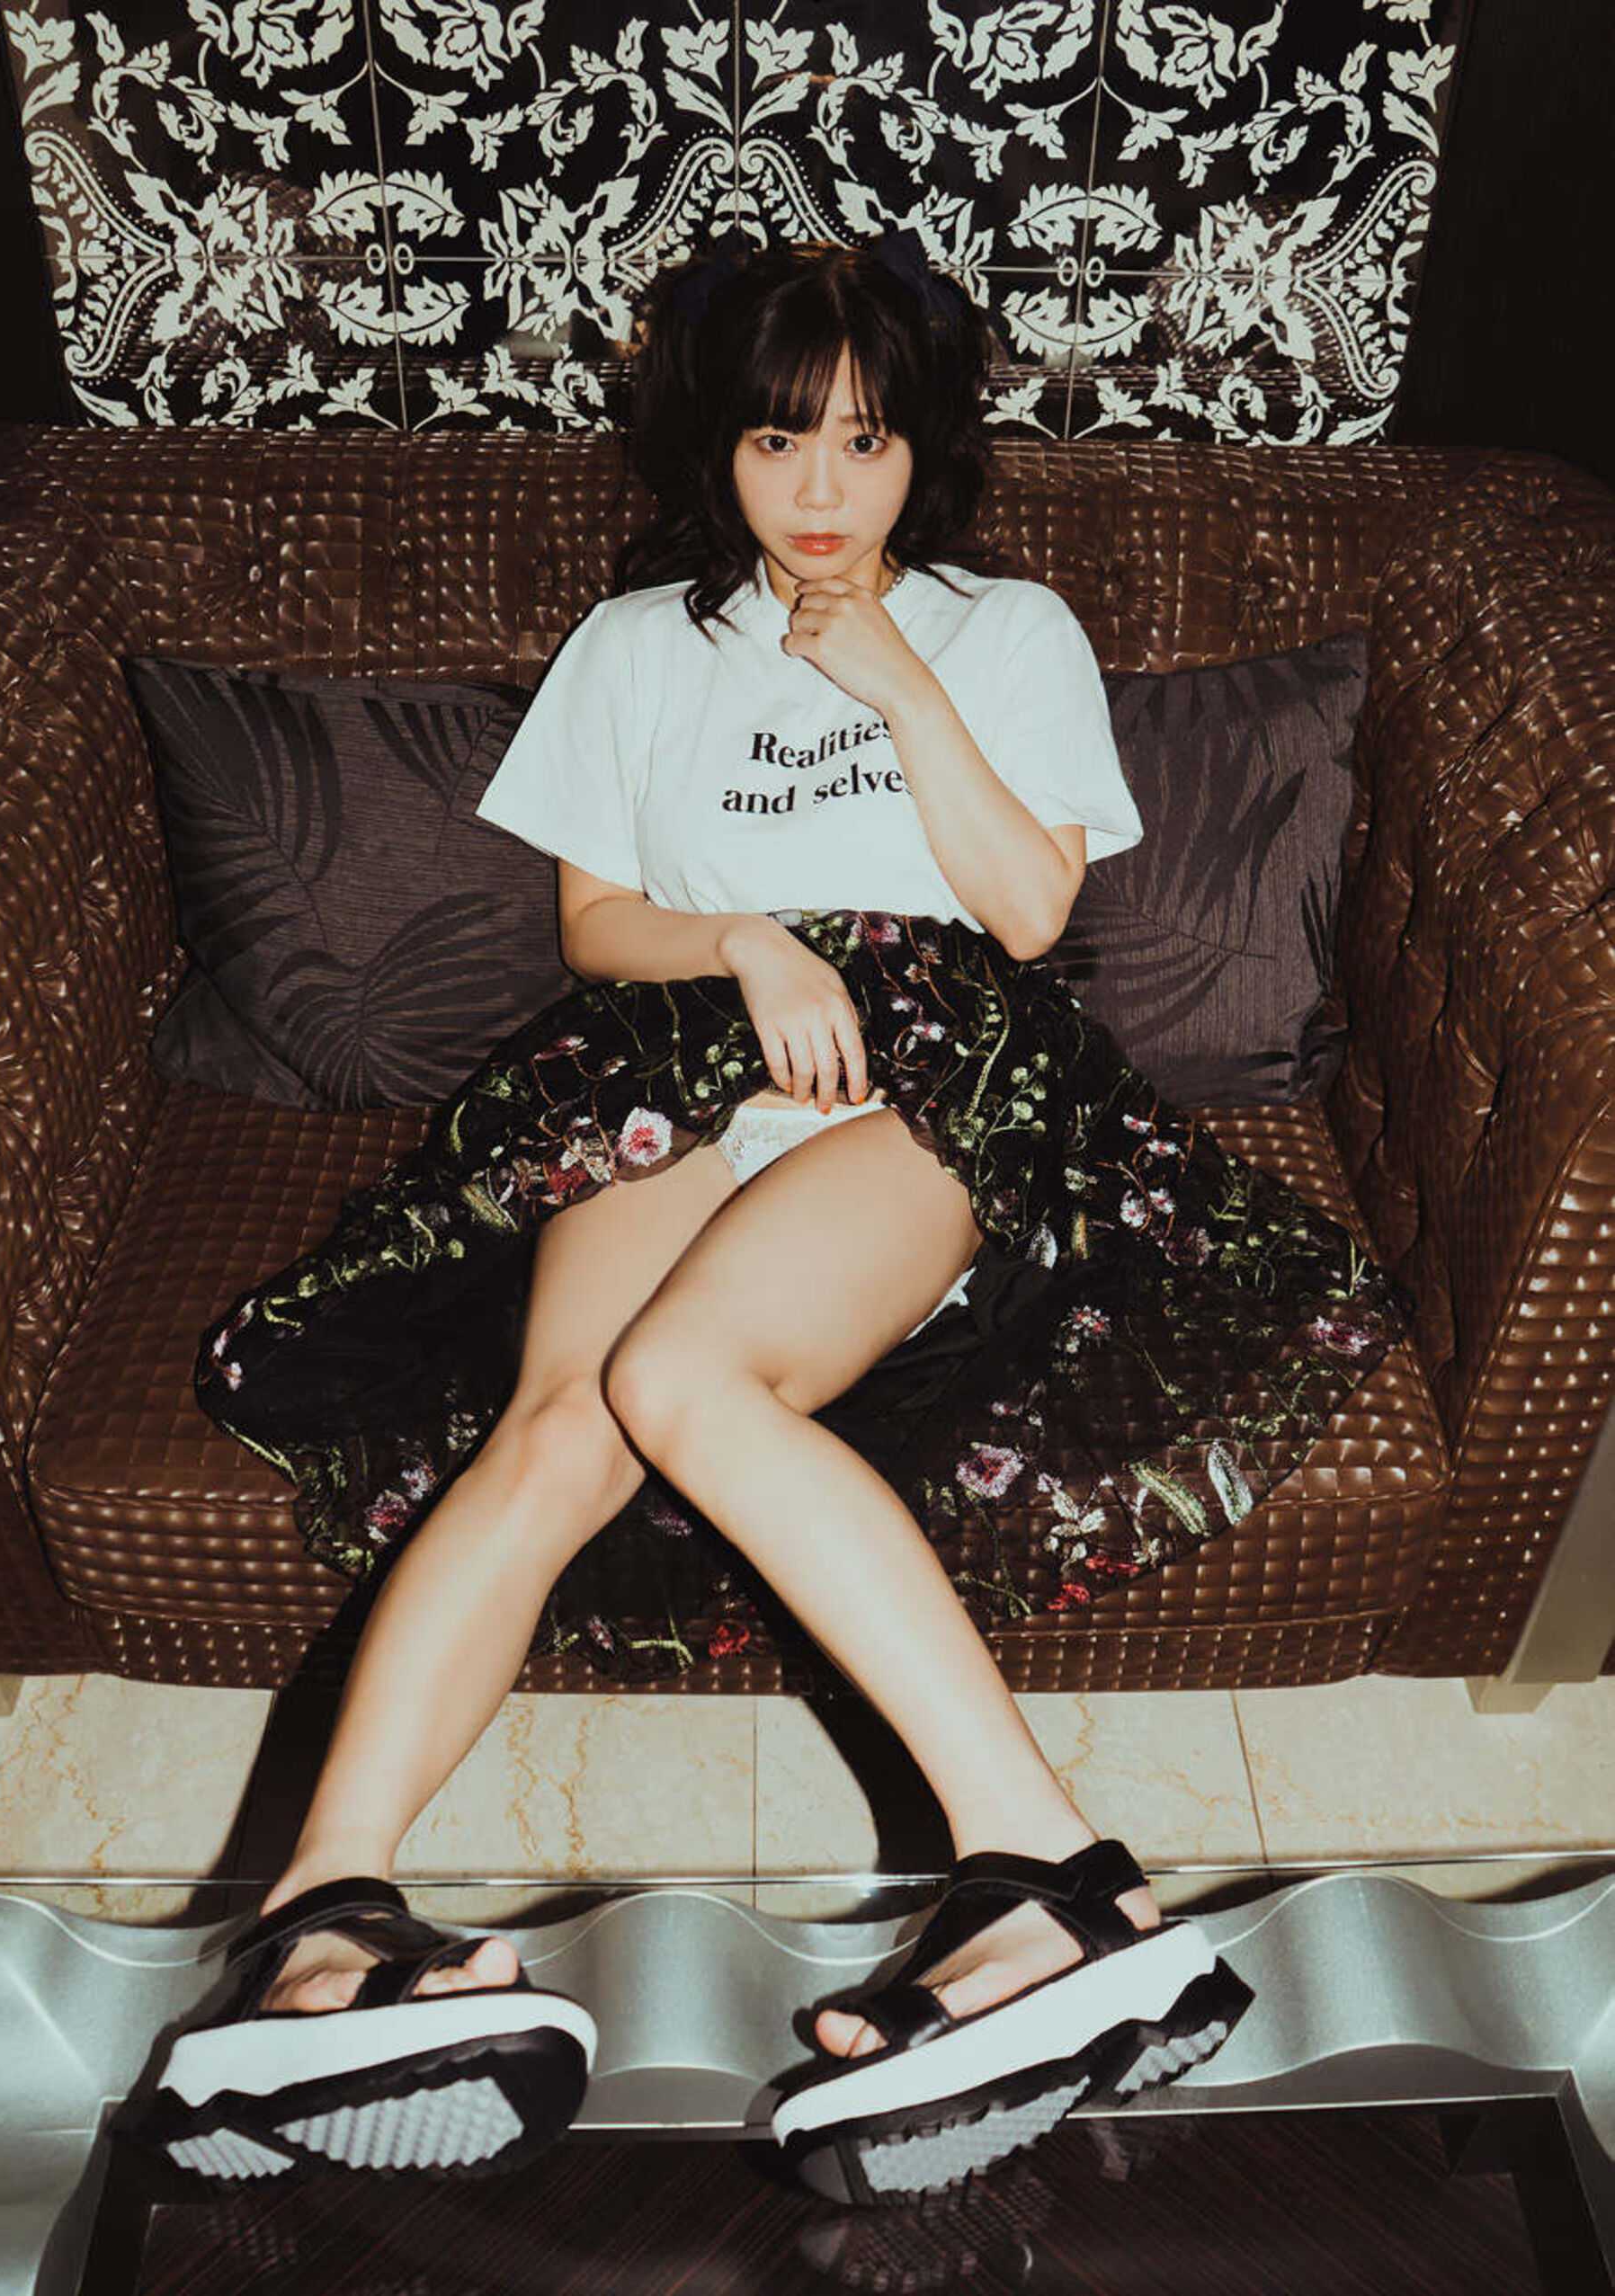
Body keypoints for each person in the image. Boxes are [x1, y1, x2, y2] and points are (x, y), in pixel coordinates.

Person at [119, 228, 1405, 2208]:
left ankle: (1052, 1876)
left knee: (688, 1381)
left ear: (923, 451)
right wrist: (746, 938)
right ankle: (318, 1928)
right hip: (676, 1059)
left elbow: (1030, 909)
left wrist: (896, 677)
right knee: (564, 1423)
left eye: (866, 443)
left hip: (934, 1076)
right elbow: (592, 925)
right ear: (716, 447)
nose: (820, 491)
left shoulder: (1008, 626)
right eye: (778, 441)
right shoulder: (641, 641)